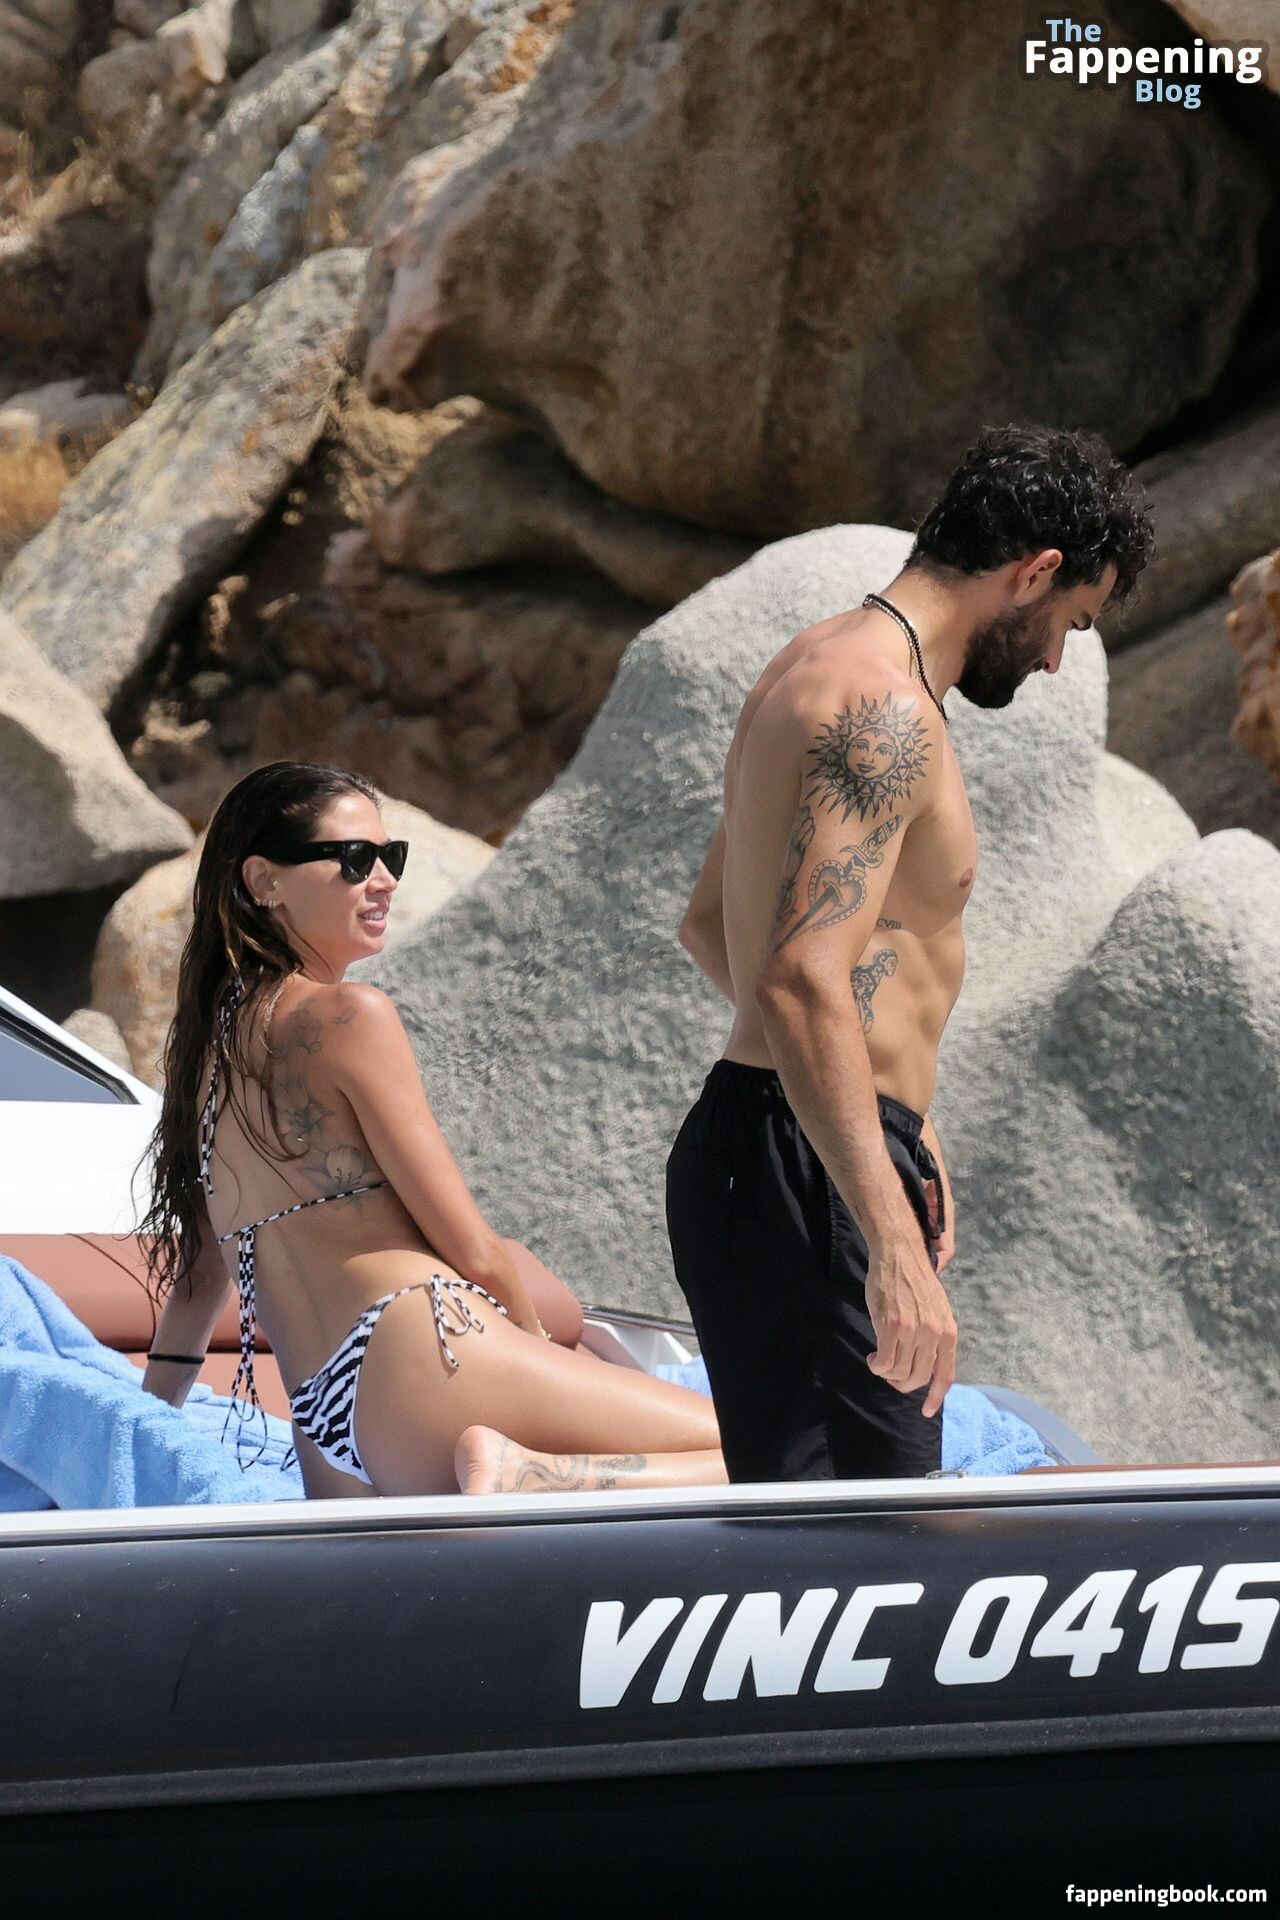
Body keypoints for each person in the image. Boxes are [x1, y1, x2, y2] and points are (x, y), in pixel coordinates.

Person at [666, 422, 1155, 1484]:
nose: (1054, 659)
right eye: (1069, 624)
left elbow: (711, 923)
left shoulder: (808, 666)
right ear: (1034, 573)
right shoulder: (884, 710)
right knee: (873, 1545)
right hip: (810, 1172)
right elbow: (800, 975)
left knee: (820, 1535)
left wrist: (890, 1108)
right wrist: (885, 1230)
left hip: (781, 1147)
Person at [136, 761, 724, 1499]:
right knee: (769, 1455)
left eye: (392, 856)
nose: (384, 879)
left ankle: (533, 1476)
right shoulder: (349, 1017)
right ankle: (537, 1477)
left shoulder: (205, 1059)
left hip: (321, 1416)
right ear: (264, 881)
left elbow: (198, 1283)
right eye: (355, 859)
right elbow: (472, 1247)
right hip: (423, 1347)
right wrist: (544, 1354)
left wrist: (145, 1437)